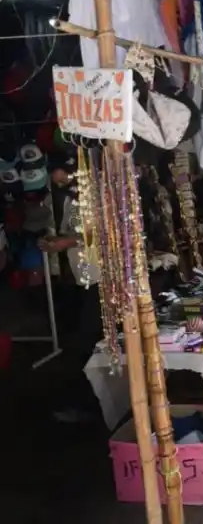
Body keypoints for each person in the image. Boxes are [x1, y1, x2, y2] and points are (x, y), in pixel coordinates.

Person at [40, 152, 102, 422]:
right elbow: (78, 233)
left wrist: (66, 243)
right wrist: (58, 241)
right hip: (85, 276)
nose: (59, 183)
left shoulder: (94, 194)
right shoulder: (71, 198)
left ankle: (89, 405)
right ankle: (88, 403)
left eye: (62, 178)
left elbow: (99, 232)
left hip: (99, 276)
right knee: (84, 339)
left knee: (88, 341)